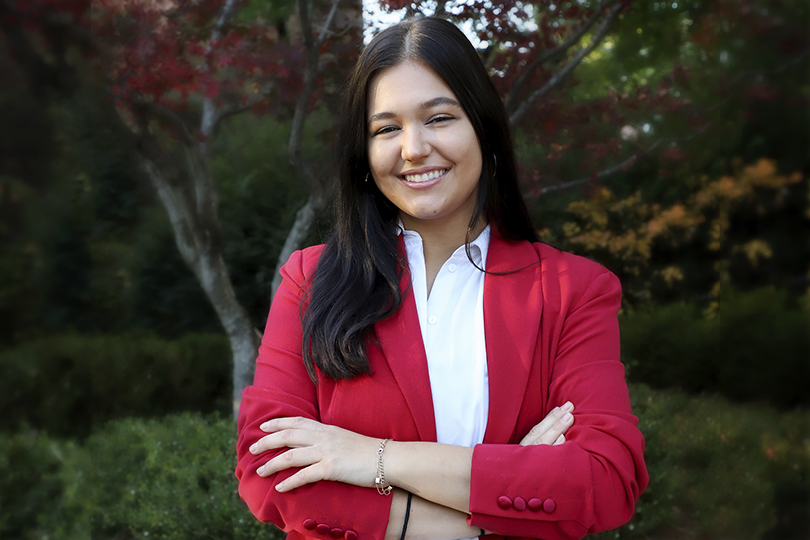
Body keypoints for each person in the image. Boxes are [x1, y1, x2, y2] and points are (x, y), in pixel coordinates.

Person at [236, 16, 648, 540]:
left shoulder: (573, 290)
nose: (412, 148)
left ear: (484, 128)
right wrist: (486, 514)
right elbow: (267, 473)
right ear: (363, 154)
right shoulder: (309, 280)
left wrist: (375, 459)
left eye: (438, 118)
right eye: (386, 128)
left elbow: (607, 479)